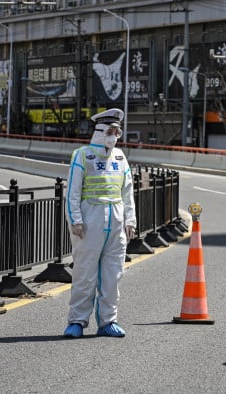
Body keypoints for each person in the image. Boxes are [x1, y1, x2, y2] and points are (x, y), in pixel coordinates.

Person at [63, 108, 136, 338]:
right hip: (90, 219)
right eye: (112, 131)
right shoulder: (82, 155)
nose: (115, 136)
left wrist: (130, 220)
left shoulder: (120, 157)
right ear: (101, 131)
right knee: (85, 273)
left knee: (113, 275)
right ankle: (76, 321)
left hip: (115, 221)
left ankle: (108, 321)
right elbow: (73, 191)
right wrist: (75, 219)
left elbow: (127, 192)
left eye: (118, 131)